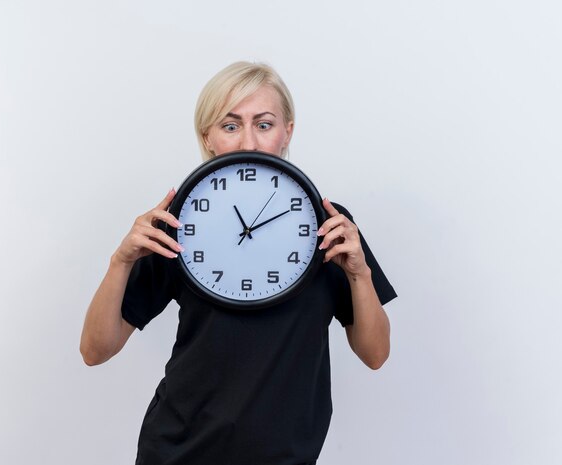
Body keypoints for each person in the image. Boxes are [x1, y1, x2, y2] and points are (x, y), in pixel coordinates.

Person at [80, 61, 397, 465]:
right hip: (178, 452)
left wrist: (359, 274)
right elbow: (94, 350)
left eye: (264, 124)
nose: (249, 140)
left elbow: (375, 355)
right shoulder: (179, 222)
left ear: (287, 133)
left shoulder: (330, 225)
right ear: (208, 137)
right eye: (230, 126)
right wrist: (120, 261)